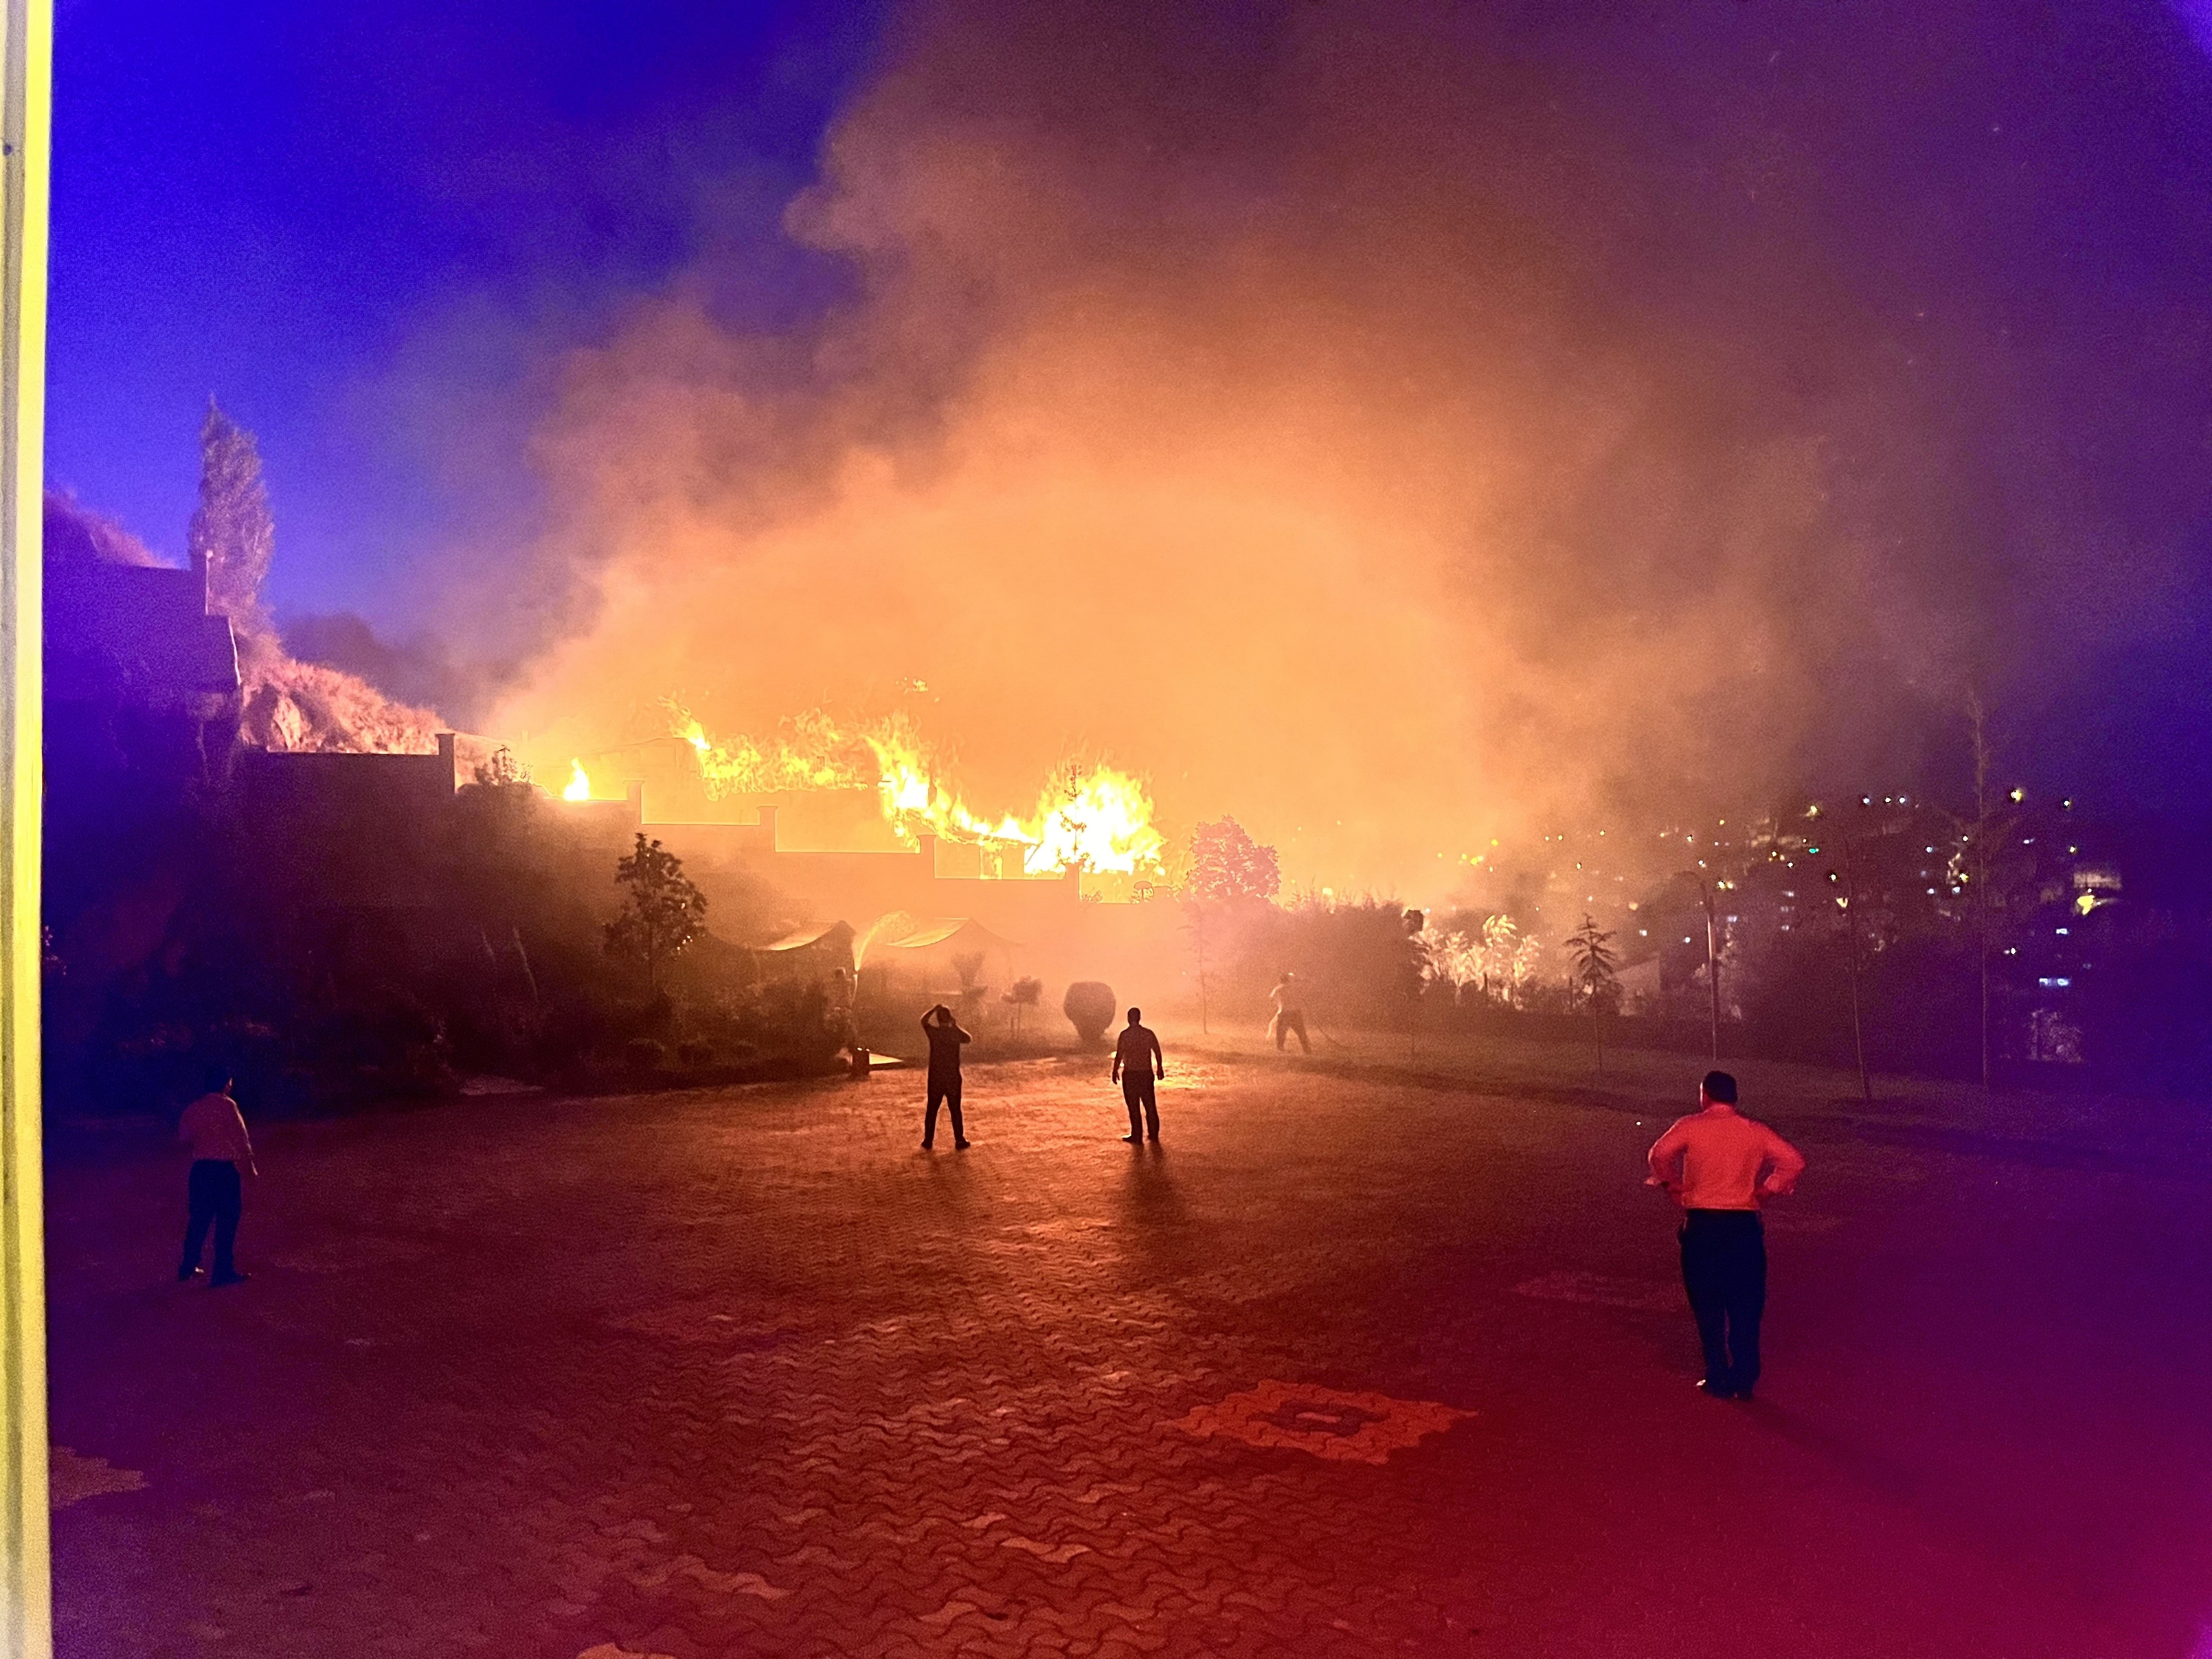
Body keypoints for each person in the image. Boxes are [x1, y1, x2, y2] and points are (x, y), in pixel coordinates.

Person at [1645, 1070, 1807, 1401]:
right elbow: (1793, 1161)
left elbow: (1659, 1155)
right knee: (1746, 1304)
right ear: (1734, 1097)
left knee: (1708, 1304)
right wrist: (1766, 1190)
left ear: (1705, 1095)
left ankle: (1717, 1374)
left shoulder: (1690, 1126)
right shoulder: (1754, 1132)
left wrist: (1670, 1184)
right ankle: (1745, 1376)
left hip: (1702, 1225)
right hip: (1743, 1227)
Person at [177, 1069, 257, 1286]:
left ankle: (188, 1266)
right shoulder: (228, 1105)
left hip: (201, 1169)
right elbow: (242, 1138)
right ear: (225, 1084)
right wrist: (249, 1168)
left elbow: (184, 1137)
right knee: (227, 1221)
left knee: (199, 1219)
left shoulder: (195, 1108)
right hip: (223, 1170)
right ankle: (222, 1271)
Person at [920, 1004, 971, 1150]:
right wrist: (955, 1026)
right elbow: (968, 1039)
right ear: (950, 1018)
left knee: (932, 1109)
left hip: (936, 1077)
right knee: (955, 1109)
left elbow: (923, 1021)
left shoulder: (934, 1033)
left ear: (937, 1019)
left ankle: (928, 1140)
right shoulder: (954, 1034)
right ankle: (959, 1140)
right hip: (952, 1077)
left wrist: (933, 1009)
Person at [1111, 1007, 1166, 1143]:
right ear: (1139, 1018)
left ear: (1129, 1019)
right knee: (1150, 1105)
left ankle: (1137, 1135)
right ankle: (1153, 1133)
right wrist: (1159, 1068)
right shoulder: (1148, 1034)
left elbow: (1119, 1054)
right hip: (1146, 1073)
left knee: (1133, 1106)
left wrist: (1115, 1070)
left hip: (1131, 1074)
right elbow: (1157, 1052)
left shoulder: (1125, 1035)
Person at [1268, 972, 1310, 1053]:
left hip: (1285, 1012)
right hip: (1296, 1012)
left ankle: (1280, 1048)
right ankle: (1307, 1050)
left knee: (1281, 1031)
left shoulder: (1278, 989)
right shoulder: (1295, 988)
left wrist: (1277, 1003)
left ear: (1281, 980)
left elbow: (1271, 999)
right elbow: (1302, 996)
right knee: (1301, 1032)